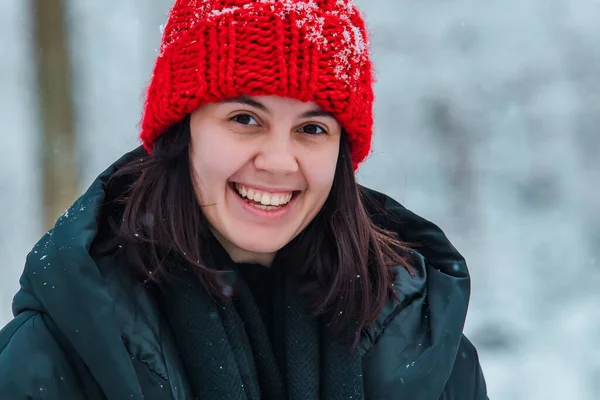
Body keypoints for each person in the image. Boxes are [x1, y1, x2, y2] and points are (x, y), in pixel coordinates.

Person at [0, 0, 488, 399]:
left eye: (312, 128)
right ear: (182, 131)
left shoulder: (426, 347)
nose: (279, 161)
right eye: (244, 119)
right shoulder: (59, 349)